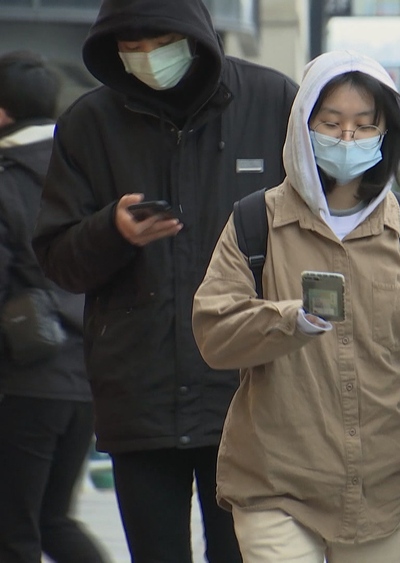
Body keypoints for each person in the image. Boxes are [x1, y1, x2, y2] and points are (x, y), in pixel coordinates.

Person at [30, 0, 297, 560]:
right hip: (139, 394)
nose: (148, 57)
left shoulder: (273, 101)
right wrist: (111, 231)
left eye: (161, 43)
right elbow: (58, 260)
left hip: (250, 395)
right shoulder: (89, 122)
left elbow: (320, 225)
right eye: (132, 48)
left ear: (195, 36)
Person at [191, 50, 400, 562]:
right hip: (275, 485)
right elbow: (214, 333)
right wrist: (288, 321)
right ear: (303, 126)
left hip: (386, 493)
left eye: (364, 125)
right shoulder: (255, 223)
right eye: (331, 122)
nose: (346, 138)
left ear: (387, 132)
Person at [0, 50, 109, 563]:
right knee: (52, 520)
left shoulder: (7, 179)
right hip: (85, 380)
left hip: (23, 382)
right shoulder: (87, 173)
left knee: (14, 531)